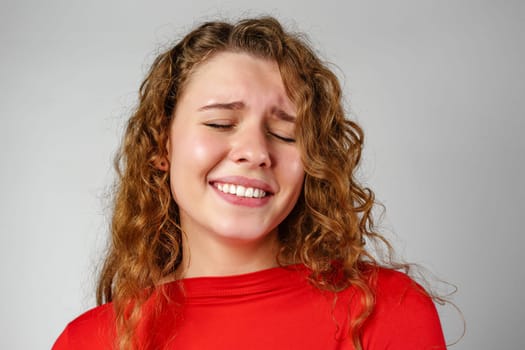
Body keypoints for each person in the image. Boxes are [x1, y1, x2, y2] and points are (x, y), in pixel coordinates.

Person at [53, 17, 446, 350]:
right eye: (220, 124)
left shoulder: (386, 308)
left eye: (285, 133)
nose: (256, 151)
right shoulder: (88, 340)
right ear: (161, 146)